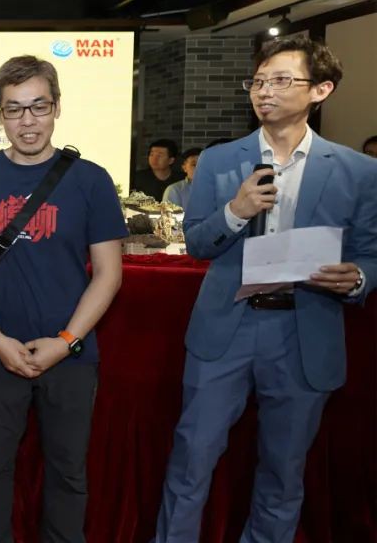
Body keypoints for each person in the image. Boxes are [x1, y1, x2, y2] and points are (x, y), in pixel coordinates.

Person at [153, 35, 377, 542]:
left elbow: (370, 252)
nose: (264, 91)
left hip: (305, 327)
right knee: (192, 456)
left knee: (283, 469)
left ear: (321, 89)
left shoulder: (360, 172)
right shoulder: (218, 160)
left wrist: (360, 277)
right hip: (226, 328)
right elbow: (197, 243)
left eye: (280, 80)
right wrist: (236, 211)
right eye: (257, 82)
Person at [0, 56, 126, 543]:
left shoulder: (91, 180)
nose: (27, 121)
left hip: (70, 354)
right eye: (14, 109)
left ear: (56, 107)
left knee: (68, 470)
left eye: (38, 107)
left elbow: (109, 274)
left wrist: (66, 341)